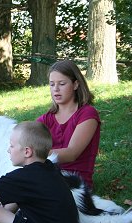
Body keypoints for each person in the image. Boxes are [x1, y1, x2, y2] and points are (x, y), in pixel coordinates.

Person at [37, 59, 100, 189]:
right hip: (48, 176)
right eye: (52, 84)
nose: (56, 89)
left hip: (75, 183)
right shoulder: (46, 119)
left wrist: (32, 153)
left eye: (62, 83)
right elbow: (27, 139)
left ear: (75, 84)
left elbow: (72, 153)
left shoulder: (87, 114)